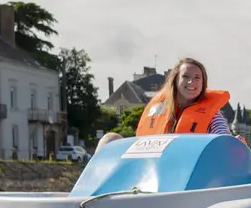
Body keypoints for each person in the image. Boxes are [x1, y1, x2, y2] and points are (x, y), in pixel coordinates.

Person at [98, 57, 232, 150]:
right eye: (186, 77)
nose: (192, 82)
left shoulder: (213, 116)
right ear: (175, 80)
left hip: (187, 171)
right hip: (151, 168)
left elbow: (223, 139)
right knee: (109, 139)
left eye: (197, 78)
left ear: (203, 84)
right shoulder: (158, 109)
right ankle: (92, 187)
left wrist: (231, 143)